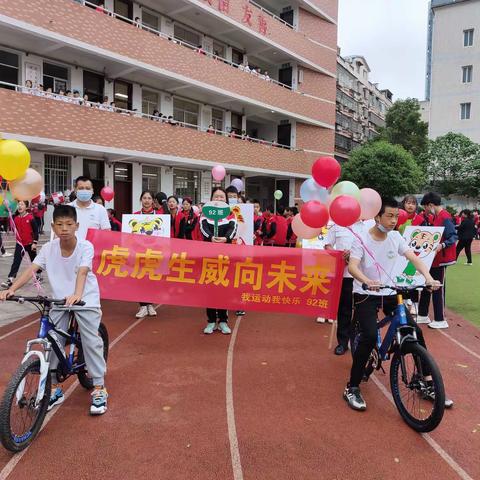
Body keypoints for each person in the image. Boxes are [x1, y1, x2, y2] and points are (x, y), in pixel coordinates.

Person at [344, 198, 450, 411]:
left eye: (396, 216)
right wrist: (366, 281)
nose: (394, 220)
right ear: (377, 217)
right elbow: (353, 266)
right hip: (366, 292)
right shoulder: (362, 239)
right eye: (389, 216)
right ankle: (352, 387)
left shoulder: (395, 237)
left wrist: (428, 278)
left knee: (414, 331)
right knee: (370, 336)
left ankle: (427, 383)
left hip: (390, 290)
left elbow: (414, 258)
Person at [0, 205, 108, 415]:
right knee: (52, 340)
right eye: (59, 224)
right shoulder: (49, 249)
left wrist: (77, 294)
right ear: (53, 226)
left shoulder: (85, 247)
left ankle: (98, 387)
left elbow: (83, 272)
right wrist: (11, 289)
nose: (64, 228)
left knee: (90, 340)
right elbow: (32, 269)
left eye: (69, 224)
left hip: (85, 298)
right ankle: (54, 388)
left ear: (77, 226)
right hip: (59, 299)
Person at [324, 219, 374, 355]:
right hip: (344, 274)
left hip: (363, 276)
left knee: (363, 310)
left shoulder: (370, 224)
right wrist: (339, 255)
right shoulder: (336, 224)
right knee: (344, 309)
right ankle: (343, 342)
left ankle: (362, 341)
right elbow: (327, 245)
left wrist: (354, 256)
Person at [200, 187, 238, 334]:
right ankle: (210, 321)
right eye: (216, 196)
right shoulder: (205, 213)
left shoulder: (230, 213)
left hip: (225, 257)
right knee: (210, 288)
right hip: (209, 256)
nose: (219, 199)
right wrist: (211, 237)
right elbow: (203, 228)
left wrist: (226, 238)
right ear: (211, 198)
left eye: (222, 197)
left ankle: (223, 321)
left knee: (223, 289)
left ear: (226, 200)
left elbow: (233, 229)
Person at [417, 192, 457, 329]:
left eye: (425, 207)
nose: (425, 211)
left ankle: (440, 319)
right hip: (434, 258)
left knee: (437, 287)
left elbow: (453, 236)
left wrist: (442, 245)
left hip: (442, 258)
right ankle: (422, 314)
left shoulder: (445, 216)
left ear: (431, 205)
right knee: (428, 285)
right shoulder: (436, 217)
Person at [133, 191, 161, 319]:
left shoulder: (159, 216)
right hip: (139, 252)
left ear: (153, 201)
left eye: (149, 198)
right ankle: (142, 306)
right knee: (140, 278)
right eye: (144, 198)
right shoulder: (135, 216)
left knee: (152, 279)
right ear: (141, 200)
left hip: (154, 252)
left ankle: (150, 304)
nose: (147, 201)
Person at [1, 201, 39, 289]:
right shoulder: (16, 218)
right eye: (19, 204)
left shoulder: (30, 218)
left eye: (22, 204)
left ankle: (39, 274)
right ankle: (10, 279)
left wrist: (35, 243)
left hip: (30, 244)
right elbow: (7, 212)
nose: (19, 206)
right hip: (19, 244)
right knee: (16, 261)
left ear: (26, 207)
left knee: (35, 261)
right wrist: (6, 204)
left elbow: (36, 231)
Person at [69, 176, 111, 240]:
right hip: (71, 249)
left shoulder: (100, 209)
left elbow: (107, 233)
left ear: (92, 191)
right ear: (75, 190)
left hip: (93, 249)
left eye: (88, 188)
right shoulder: (66, 208)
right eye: (81, 188)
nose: (84, 191)